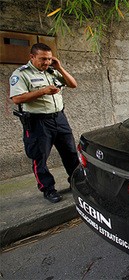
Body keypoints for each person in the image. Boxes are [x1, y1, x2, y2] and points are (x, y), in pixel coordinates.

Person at [9, 43, 79, 203]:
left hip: (59, 119)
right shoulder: (21, 74)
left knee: (70, 153)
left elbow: (73, 84)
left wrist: (59, 67)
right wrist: (43, 91)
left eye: (49, 59)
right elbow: (17, 98)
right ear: (32, 57)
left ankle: (76, 182)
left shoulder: (52, 71)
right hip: (37, 122)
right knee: (39, 157)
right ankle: (48, 189)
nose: (46, 62)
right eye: (42, 59)